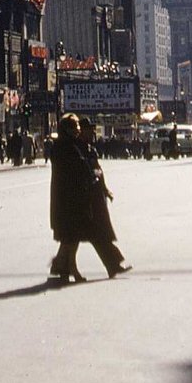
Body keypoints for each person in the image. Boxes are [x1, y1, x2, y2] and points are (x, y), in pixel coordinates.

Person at [77, 116, 132, 279]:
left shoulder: (88, 148)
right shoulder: (79, 148)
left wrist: (105, 189)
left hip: (96, 194)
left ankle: (113, 264)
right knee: (93, 234)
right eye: (89, 130)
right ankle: (113, 263)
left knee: (96, 234)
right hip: (87, 196)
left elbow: (98, 171)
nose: (92, 132)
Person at [48, 114, 90, 283]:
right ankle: (72, 269)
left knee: (69, 237)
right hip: (70, 198)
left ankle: (60, 265)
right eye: (75, 127)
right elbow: (79, 168)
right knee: (71, 238)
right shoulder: (68, 147)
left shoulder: (61, 146)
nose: (77, 130)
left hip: (63, 197)